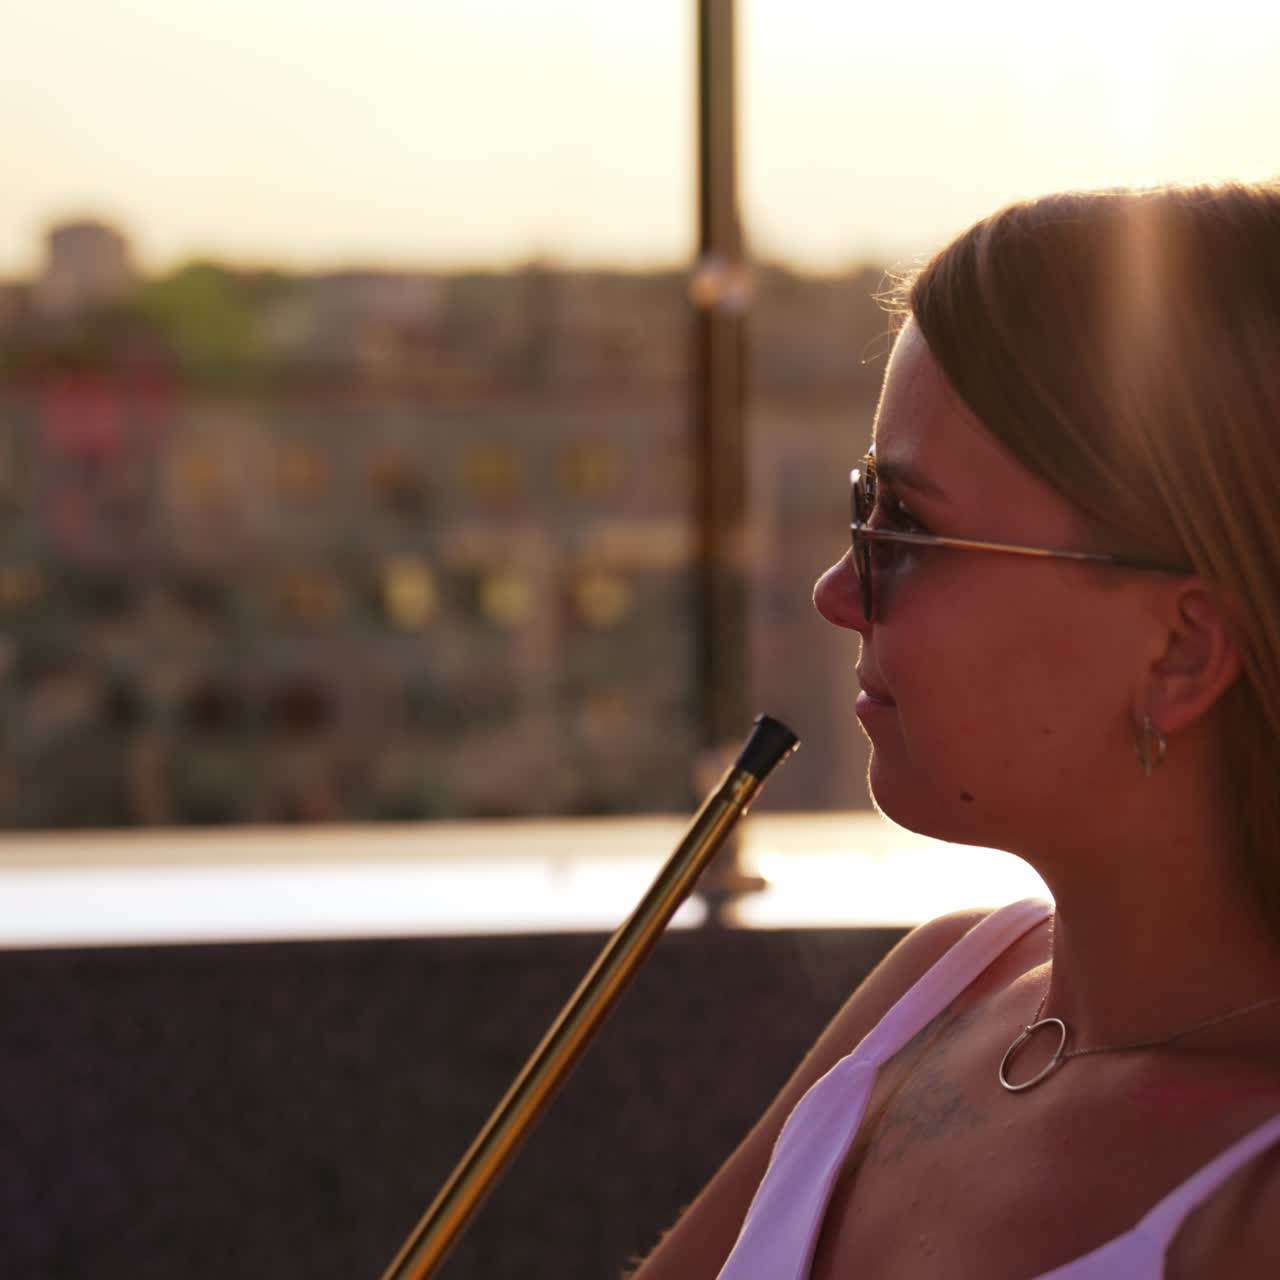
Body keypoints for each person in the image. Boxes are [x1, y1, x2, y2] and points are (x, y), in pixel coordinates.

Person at [631, 184, 1280, 1278]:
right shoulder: (937, 984)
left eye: (909, 525)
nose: (837, 590)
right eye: (863, 502)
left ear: (1177, 651)